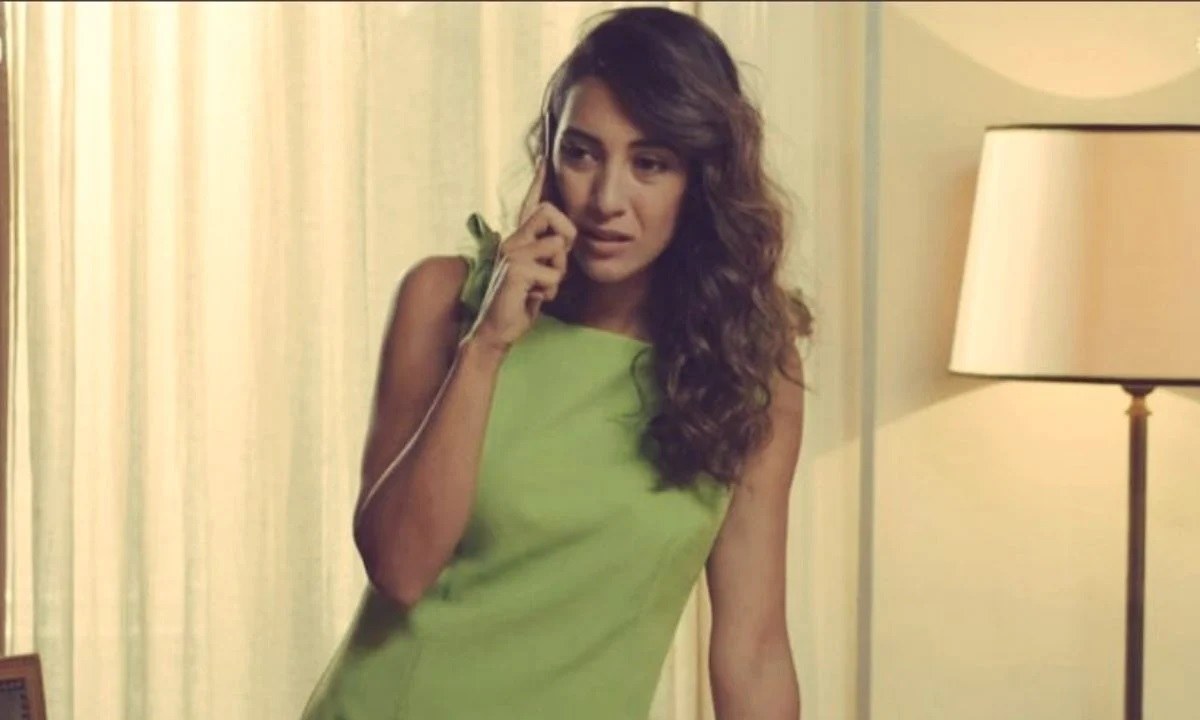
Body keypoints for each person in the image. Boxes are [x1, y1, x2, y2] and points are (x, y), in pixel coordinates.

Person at [301, 6, 812, 719]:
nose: (607, 199)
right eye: (582, 153)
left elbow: (753, 653)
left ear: (701, 181)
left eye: (650, 163)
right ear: (547, 157)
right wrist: (487, 347)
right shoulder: (442, 299)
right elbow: (399, 569)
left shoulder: (748, 365)